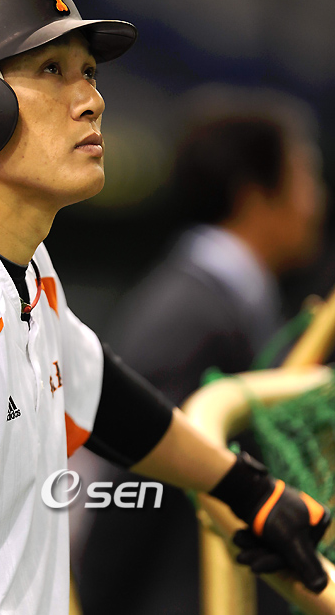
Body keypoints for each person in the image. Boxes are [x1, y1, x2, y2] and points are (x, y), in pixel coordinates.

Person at [0, 0, 330, 615]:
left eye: (89, 72)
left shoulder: (21, 261)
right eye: (52, 69)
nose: (92, 99)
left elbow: (103, 395)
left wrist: (248, 490)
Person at [78, 86, 326, 615]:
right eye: (307, 177)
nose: (318, 201)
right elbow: (129, 488)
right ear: (254, 194)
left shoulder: (227, 302)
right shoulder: (188, 316)